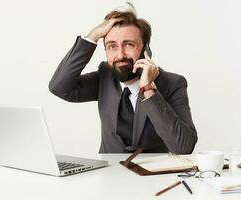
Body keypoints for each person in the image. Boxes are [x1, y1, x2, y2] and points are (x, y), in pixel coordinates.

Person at [49, 7, 197, 153]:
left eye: (129, 44)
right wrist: (93, 36)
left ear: (146, 50)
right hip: (108, 174)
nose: (120, 55)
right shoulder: (105, 77)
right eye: (112, 46)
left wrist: (148, 89)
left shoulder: (173, 83)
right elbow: (59, 87)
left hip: (153, 176)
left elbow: (184, 147)